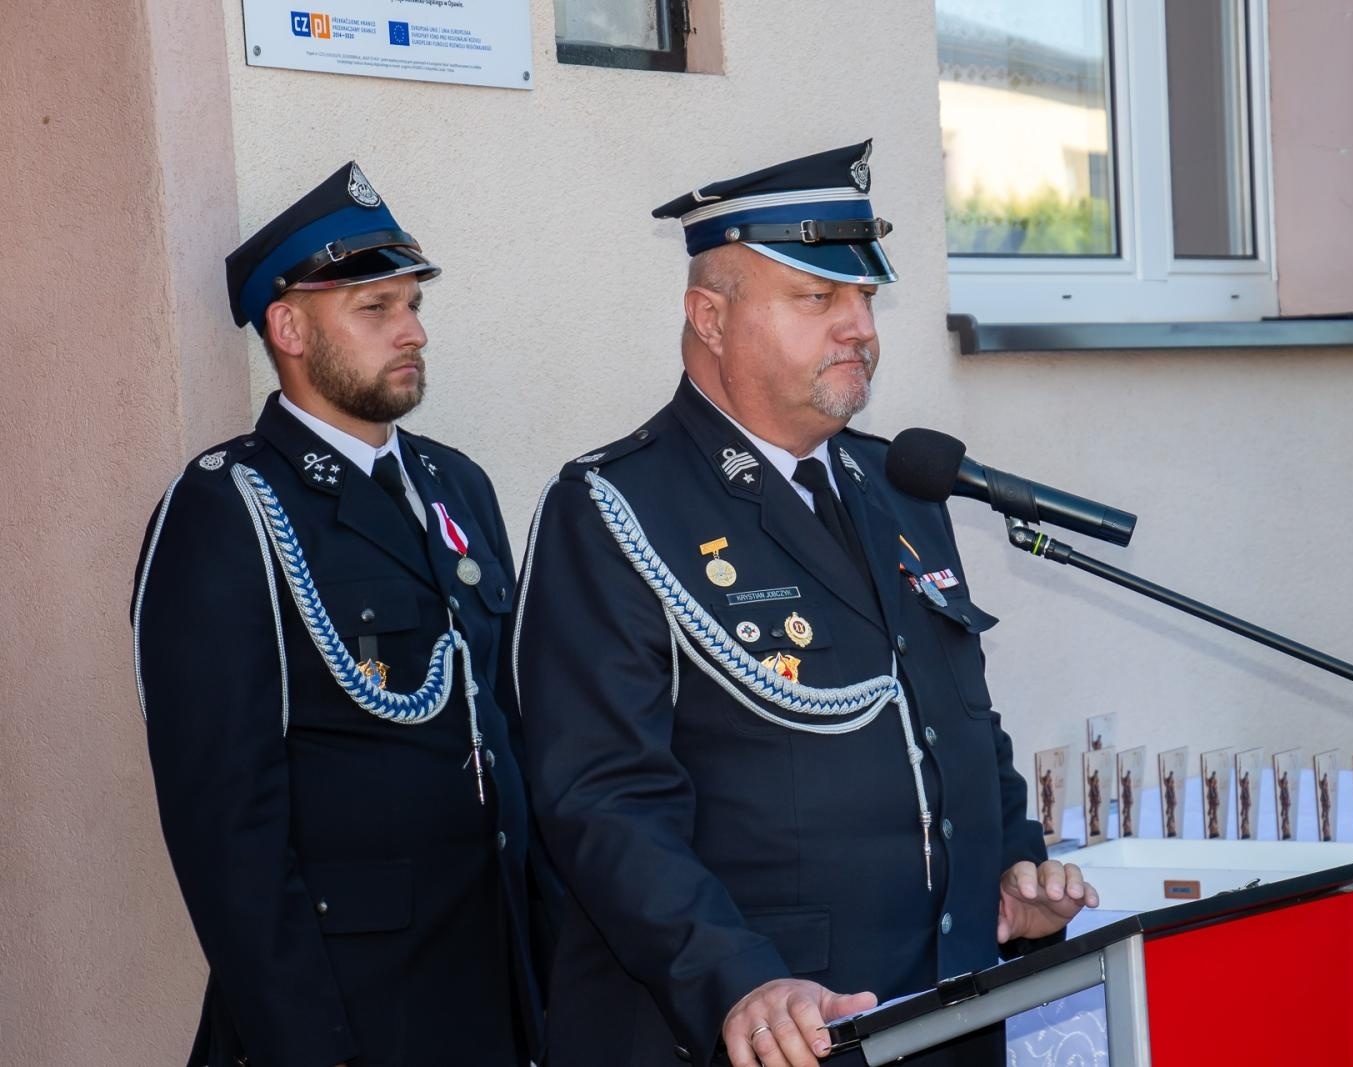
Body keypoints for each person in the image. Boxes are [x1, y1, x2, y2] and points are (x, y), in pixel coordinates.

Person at [516, 140, 1097, 1067]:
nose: (859, 327)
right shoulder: (615, 507)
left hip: (943, 1008)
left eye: (865, 298)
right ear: (710, 316)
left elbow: (960, 724)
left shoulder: (900, 486)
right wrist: (736, 976)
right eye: (817, 297)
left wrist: (1015, 871)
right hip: (766, 1026)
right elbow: (601, 802)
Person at [131, 162, 548, 1067]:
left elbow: (505, 729)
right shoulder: (227, 507)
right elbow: (224, 828)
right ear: (287, 328)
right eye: (376, 309)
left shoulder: (456, 483)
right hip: (354, 1008)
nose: (413, 332)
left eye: (411, 305)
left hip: (497, 983)